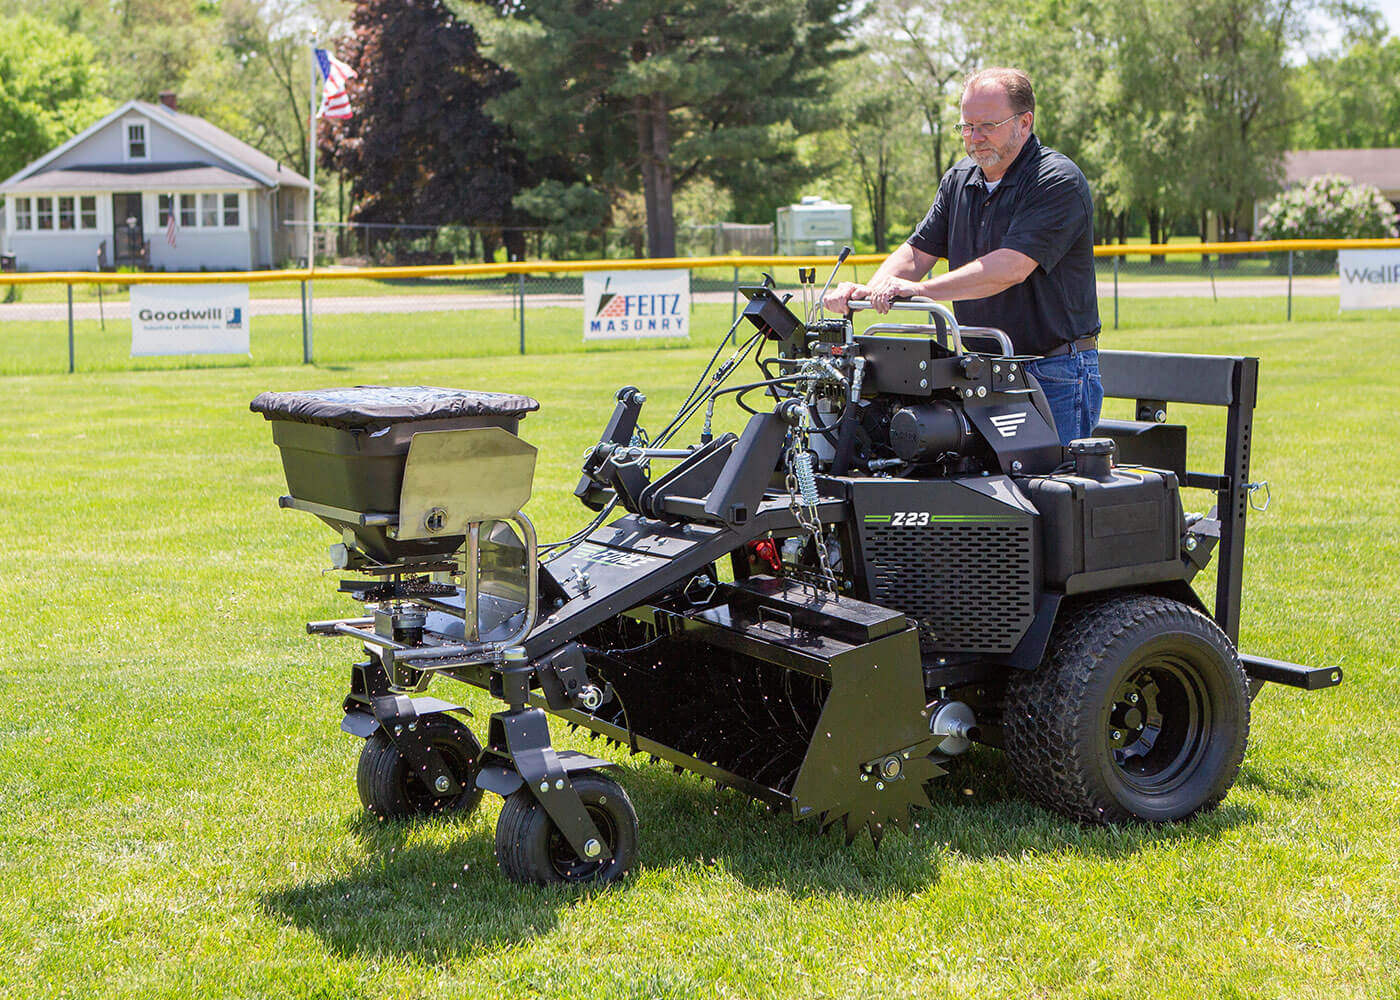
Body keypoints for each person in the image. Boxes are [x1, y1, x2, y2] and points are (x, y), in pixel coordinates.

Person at [824, 67, 1103, 445]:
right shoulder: (959, 179)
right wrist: (874, 290)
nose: (975, 137)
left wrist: (919, 292)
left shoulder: (1055, 180)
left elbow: (1009, 268)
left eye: (988, 125)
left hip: (1053, 371)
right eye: (967, 126)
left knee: (1052, 493)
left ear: (1025, 123)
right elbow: (916, 252)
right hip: (979, 370)